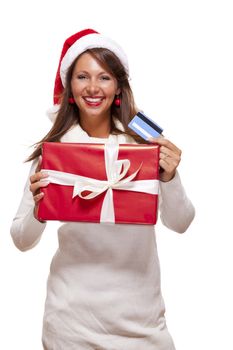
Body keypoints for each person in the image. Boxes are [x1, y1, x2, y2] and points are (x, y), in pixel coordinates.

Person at [10, 28, 195, 350]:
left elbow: (180, 223)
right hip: (71, 322)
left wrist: (170, 177)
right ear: (70, 87)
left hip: (142, 318)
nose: (93, 88)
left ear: (119, 86)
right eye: (83, 76)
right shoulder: (54, 153)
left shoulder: (143, 146)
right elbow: (21, 240)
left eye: (104, 77)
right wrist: (41, 207)